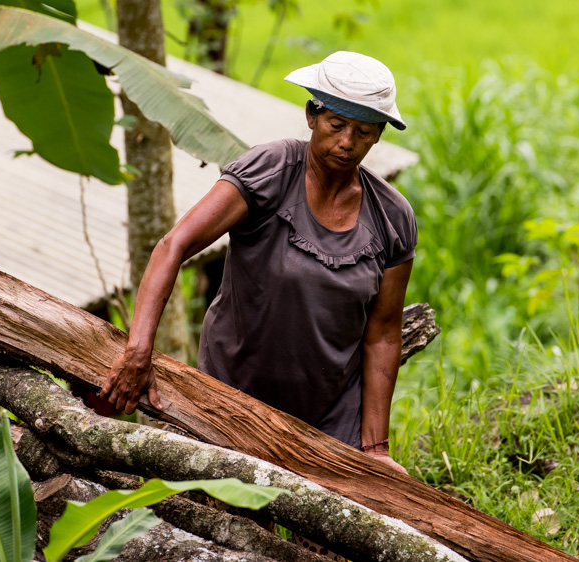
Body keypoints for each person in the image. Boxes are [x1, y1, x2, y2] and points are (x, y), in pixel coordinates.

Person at [100, 51, 416, 473]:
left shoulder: (392, 217)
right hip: (231, 398)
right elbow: (172, 246)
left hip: (330, 417)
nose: (346, 142)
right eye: (336, 125)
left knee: (322, 533)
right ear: (311, 115)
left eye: (362, 131)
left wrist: (376, 448)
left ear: (378, 135)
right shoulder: (272, 170)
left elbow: (382, 333)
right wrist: (138, 352)